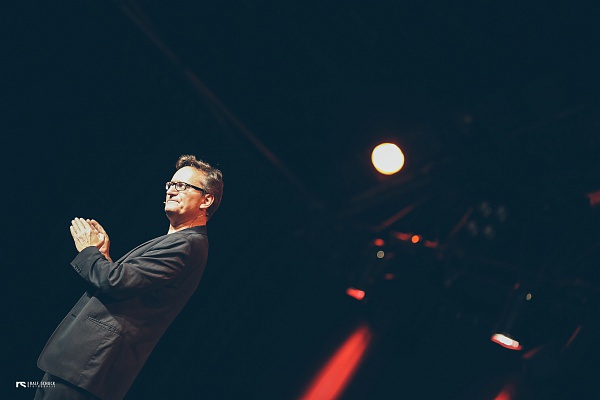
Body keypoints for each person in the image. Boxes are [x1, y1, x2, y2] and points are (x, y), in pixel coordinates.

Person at [34, 154, 223, 400]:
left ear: (206, 199)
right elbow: (130, 290)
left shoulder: (185, 245)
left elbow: (113, 282)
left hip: (88, 369)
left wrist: (89, 251)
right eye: (170, 184)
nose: (171, 191)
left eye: (182, 186)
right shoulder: (180, 242)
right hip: (78, 368)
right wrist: (104, 257)